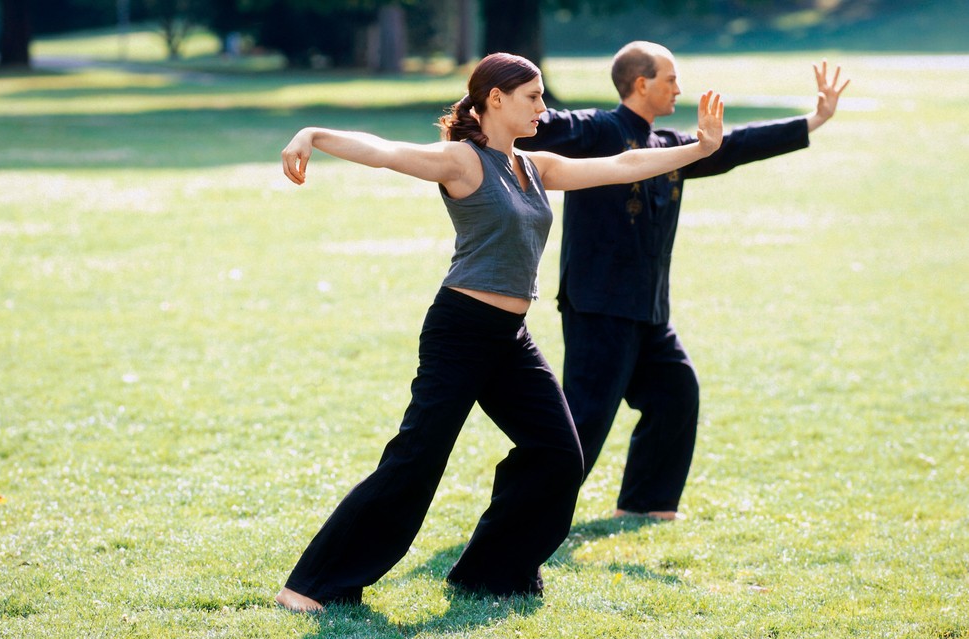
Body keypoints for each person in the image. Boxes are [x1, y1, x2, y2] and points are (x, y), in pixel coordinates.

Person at [273, 52, 725, 613]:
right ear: (496, 99)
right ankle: (310, 586)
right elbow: (388, 153)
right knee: (416, 460)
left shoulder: (534, 167)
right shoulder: (464, 162)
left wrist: (701, 148)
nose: (543, 106)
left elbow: (621, 167)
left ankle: (490, 571)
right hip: (461, 330)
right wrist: (312, 132)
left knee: (559, 455)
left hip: (511, 337)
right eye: (532, 97)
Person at [516, 42, 850, 521]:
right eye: (671, 79)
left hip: (649, 310)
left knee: (676, 393)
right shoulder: (596, 131)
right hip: (599, 305)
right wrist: (484, 109)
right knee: (584, 421)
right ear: (640, 84)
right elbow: (539, 126)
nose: (679, 88)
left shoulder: (671, 146)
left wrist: (813, 120)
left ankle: (646, 505)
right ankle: (524, 515)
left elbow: (733, 146)